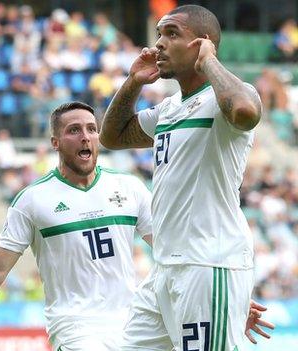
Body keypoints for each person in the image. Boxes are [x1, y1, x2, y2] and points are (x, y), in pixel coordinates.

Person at [0, 101, 156, 351]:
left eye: (91, 129)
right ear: (55, 142)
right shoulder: (33, 200)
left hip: (132, 322)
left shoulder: (130, 187)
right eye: (74, 130)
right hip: (76, 327)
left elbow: (167, 244)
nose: (85, 137)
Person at [99, 5, 274, 350]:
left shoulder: (230, 97)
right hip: (165, 269)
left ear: (202, 44)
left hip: (208, 262)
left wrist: (208, 61)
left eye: (172, 34)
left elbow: (245, 112)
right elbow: (112, 137)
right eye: (160, 33)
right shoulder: (169, 108)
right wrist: (133, 83)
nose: (159, 44)